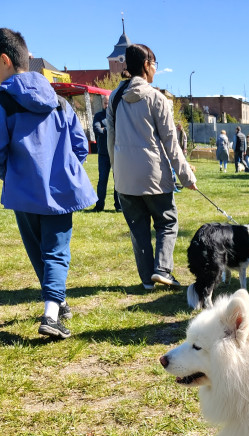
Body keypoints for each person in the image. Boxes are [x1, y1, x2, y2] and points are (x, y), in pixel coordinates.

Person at [0, 27, 97, 339]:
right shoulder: (58, 101)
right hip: (60, 191)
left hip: (23, 193)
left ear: (4, 61)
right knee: (56, 252)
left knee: (40, 251)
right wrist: (62, 170)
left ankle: (57, 304)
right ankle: (53, 312)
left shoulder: (3, 102)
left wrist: (13, 175)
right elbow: (81, 146)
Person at [107, 43, 197, 290]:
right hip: (154, 176)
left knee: (138, 230)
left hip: (125, 177)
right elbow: (172, 143)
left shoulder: (114, 98)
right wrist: (186, 176)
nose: (156, 69)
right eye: (154, 64)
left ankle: (147, 280)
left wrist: (117, 174)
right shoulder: (157, 98)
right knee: (167, 222)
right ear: (147, 65)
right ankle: (163, 269)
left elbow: (110, 140)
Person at [92, 95, 121, 213]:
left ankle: (119, 206)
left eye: (108, 103)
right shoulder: (98, 116)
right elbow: (96, 129)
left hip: (116, 153)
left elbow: (120, 131)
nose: (106, 105)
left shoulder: (117, 115)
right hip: (103, 154)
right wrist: (110, 130)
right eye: (104, 103)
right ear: (102, 104)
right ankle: (99, 206)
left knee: (118, 180)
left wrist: (105, 129)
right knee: (102, 180)